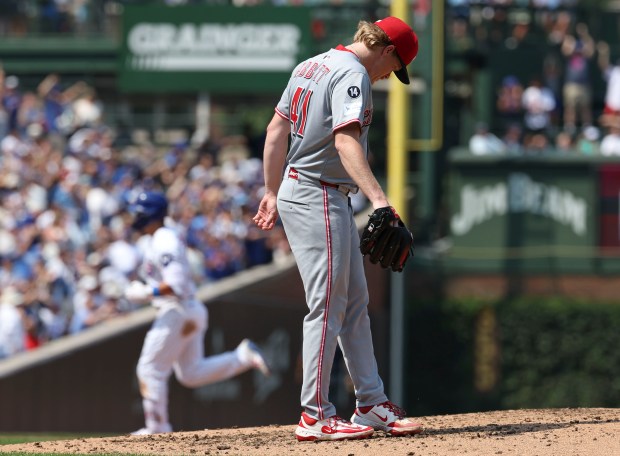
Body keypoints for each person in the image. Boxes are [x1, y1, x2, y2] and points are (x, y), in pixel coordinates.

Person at [253, 16, 424, 441]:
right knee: (328, 303)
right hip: (317, 193)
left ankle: (370, 402)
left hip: (307, 188)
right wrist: (382, 201)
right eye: (394, 67)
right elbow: (345, 140)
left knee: (352, 303)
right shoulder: (354, 75)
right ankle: (314, 415)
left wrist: (272, 191)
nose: (388, 76)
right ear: (386, 50)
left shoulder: (311, 64)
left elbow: (277, 130)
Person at [124, 190, 271, 435]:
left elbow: (177, 285)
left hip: (178, 310)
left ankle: (157, 427)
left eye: (138, 212)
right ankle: (242, 357)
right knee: (190, 373)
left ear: (150, 214)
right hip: (187, 310)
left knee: (149, 369)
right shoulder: (159, 238)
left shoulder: (164, 239)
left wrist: (146, 292)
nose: (134, 217)